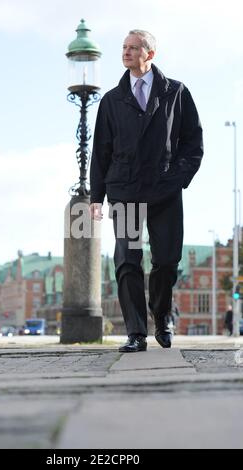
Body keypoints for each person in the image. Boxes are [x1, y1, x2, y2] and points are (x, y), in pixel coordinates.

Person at [90, 30, 203, 352]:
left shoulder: (176, 93)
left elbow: (192, 142)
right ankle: (136, 332)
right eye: (124, 47)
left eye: (133, 47)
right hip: (125, 192)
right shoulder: (112, 100)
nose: (126, 52)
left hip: (165, 191)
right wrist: (96, 199)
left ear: (149, 54)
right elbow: (101, 152)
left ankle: (162, 317)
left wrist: (177, 178)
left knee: (166, 261)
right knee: (127, 260)